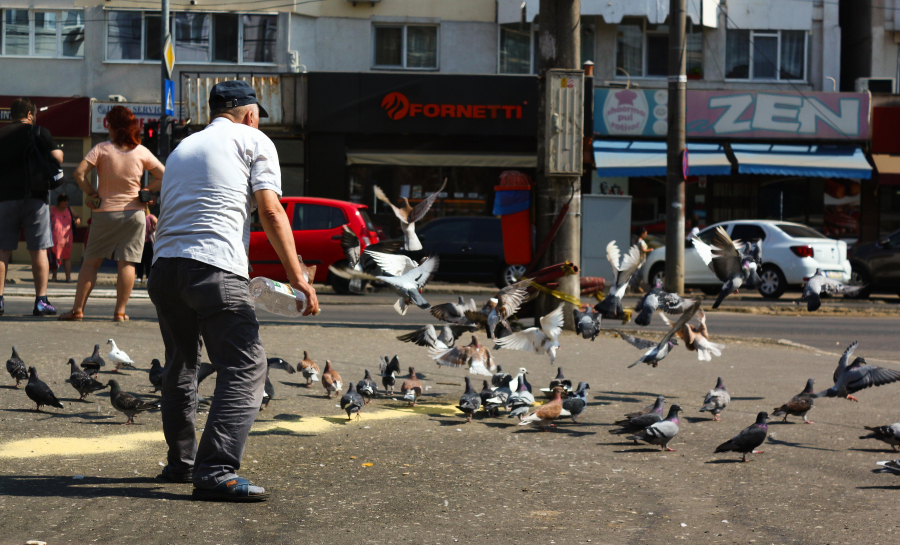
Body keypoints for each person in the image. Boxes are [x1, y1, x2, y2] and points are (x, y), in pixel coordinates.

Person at [148, 80, 319, 502]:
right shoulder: (254, 139)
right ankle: (216, 470)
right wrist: (297, 276)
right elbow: (271, 210)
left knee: (181, 364)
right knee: (245, 366)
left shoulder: (183, 148)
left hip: (164, 268)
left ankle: (182, 463)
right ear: (249, 112)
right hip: (213, 266)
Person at [59, 106, 164, 322]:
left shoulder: (101, 149)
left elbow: (79, 173)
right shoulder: (141, 151)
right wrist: (146, 191)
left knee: (91, 263)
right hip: (134, 214)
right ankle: (120, 312)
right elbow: (163, 175)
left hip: (104, 212)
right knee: (127, 263)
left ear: (112, 126)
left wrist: (91, 193)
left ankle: (78, 310)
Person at [0, 98, 63, 317]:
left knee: (2, 251)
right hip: (35, 199)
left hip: (4, 199)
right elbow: (57, 159)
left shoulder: (1, 135)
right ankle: (40, 301)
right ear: (29, 114)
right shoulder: (39, 132)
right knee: (38, 250)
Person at [50, 193, 81, 282]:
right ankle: (54, 276)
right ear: (59, 201)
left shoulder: (69, 209)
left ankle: (68, 277)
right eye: (64, 201)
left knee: (67, 257)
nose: (66, 203)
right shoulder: (53, 210)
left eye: (67, 201)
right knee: (55, 257)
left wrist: (78, 220)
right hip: (55, 238)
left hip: (67, 238)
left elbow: (78, 216)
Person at [134, 211, 157, 283]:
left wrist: (153, 229)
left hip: (148, 241)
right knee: (139, 260)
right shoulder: (137, 216)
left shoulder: (150, 217)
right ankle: (139, 276)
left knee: (148, 260)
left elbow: (158, 223)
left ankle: (148, 276)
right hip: (138, 241)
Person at [631, 227, 653, 294]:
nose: (646, 235)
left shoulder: (636, 240)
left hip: (637, 260)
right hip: (640, 261)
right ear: (642, 234)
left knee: (637, 275)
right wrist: (651, 250)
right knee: (639, 275)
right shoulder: (641, 241)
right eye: (645, 234)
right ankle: (634, 287)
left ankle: (636, 288)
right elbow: (643, 250)